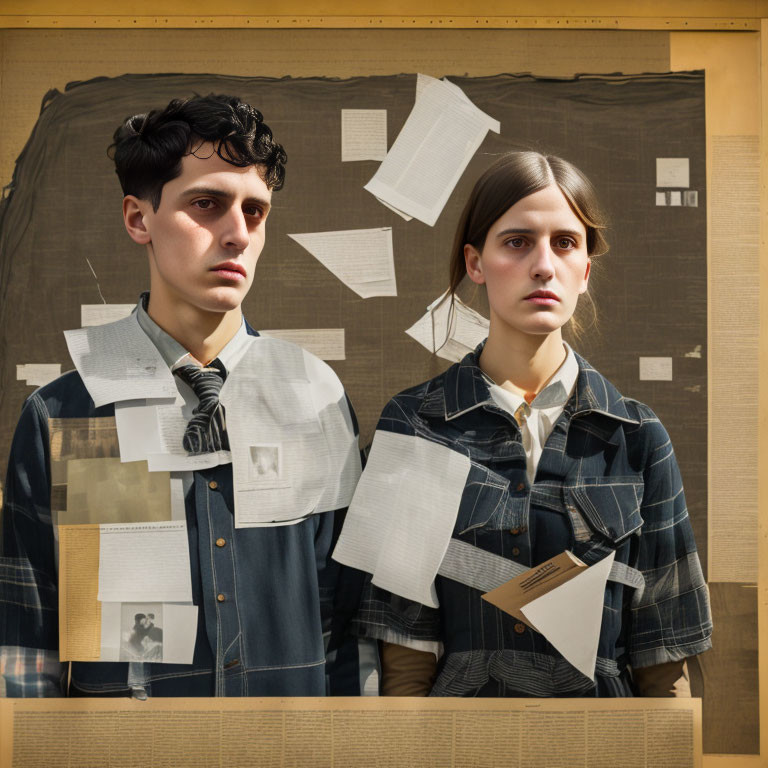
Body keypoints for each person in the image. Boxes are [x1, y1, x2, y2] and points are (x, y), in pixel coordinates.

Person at [0, 94, 369, 698]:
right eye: (207, 204)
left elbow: (350, 632)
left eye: (255, 211)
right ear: (138, 218)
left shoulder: (315, 399)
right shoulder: (70, 415)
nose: (236, 234)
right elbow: (23, 654)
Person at [335, 151, 712, 697]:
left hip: (602, 747)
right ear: (476, 263)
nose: (543, 265)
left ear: (584, 270)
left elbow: (664, 660)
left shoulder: (636, 436)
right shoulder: (415, 423)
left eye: (564, 243)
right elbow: (404, 657)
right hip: (459, 747)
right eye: (517, 242)